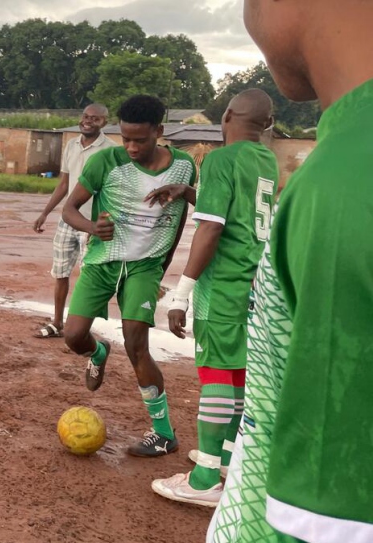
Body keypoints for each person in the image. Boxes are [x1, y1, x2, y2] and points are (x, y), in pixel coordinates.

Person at [207, 1, 373, 541]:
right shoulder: (308, 162)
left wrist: (183, 287)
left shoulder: (346, 178)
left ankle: (207, 464)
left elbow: (330, 518)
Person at [148, 89, 279, 507]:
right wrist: (188, 191)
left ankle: (204, 479)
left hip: (222, 284)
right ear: (267, 125)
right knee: (238, 370)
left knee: (217, 374)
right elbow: (238, 213)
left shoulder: (221, 159)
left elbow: (212, 229)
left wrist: (181, 294)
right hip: (254, 282)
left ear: (226, 116)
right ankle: (225, 457)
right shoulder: (267, 161)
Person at [61, 94, 195, 457]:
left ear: (159, 132)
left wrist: (162, 266)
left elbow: (185, 214)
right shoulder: (106, 161)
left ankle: (163, 433)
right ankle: (98, 350)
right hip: (103, 261)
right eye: (126, 139)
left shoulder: (183, 167)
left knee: (137, 344)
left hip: (144, 266)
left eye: (141, 139)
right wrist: (92, 227)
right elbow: (69, 209)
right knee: (72, 335)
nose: (132, 147)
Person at [32, 104, 116, 338]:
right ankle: (57, 322)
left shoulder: (110, 150)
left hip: (91, 223)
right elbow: (64, 184)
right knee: (60, 273)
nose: (88, 121)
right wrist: (45, 212)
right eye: (86, 117)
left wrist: (103, 221)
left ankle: (81, 330)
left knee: (88, 277)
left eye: (95, 119)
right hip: (68, 220)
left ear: (104, 123)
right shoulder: (71, 145)